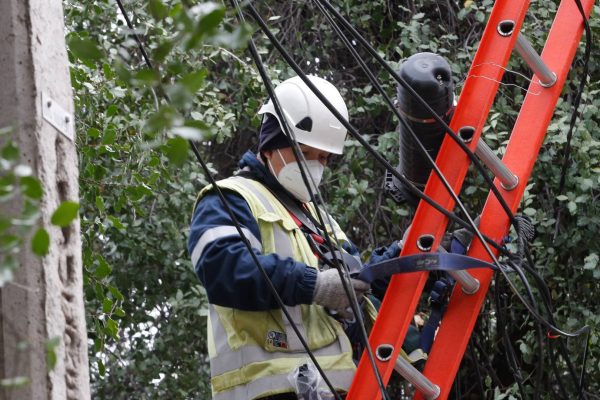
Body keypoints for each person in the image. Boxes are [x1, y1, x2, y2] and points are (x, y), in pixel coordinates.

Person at [188, 75, 401, 399]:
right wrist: (314, 285)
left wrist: (401, 259)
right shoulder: (231, 198)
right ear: (271, 144)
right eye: (305, 153)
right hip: (269, 391)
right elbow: (224, 268)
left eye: (324, 158)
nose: (315, 166)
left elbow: (358, 283)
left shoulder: (319, 220)